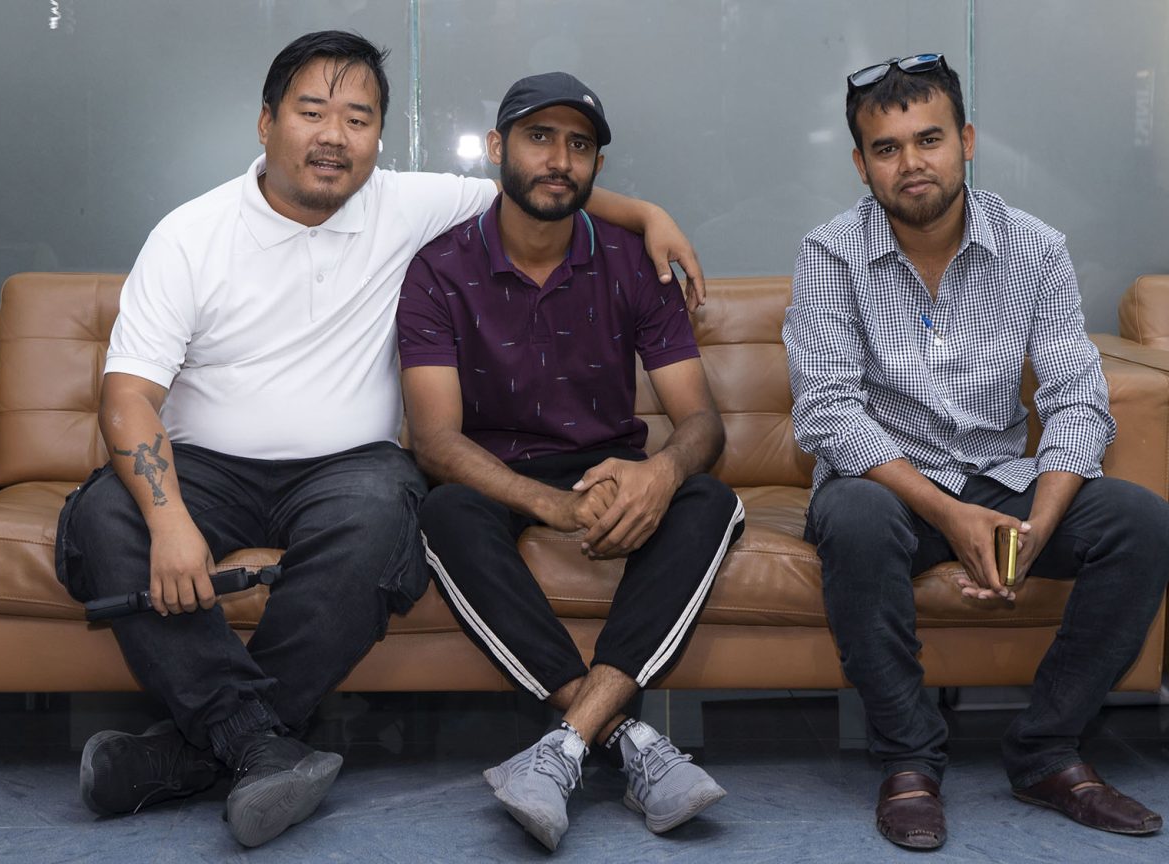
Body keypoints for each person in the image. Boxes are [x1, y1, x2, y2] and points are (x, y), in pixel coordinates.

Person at [53, 33, 705, 849]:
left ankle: (191, 754)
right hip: (204, 466)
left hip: (347, 471)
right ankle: (252, 745)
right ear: (266, 122)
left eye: (358, 120)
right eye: (312, 112)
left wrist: (647, 216)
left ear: (377, 139)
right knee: (106, 517)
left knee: (380, 522)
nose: (335, 137)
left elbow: (541, 185)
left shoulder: (405, 204)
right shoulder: (191, 234)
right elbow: (126, 397)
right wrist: (169, 518)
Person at [782, 54, 1169, 851]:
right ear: (861, 165)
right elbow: (828, 413)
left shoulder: (1035, 248)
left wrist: (1036, 527)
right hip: (889, 487)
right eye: (887, 148)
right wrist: (950, 515)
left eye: (929, 139)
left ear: (965, 142)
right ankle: (908, 762)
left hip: (1000, 478)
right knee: (853, 516)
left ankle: (1047, 752)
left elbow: (1076, 400)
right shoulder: (830, 252)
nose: (911, 163)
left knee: (1143, 524)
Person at [398, 72, 745, 852]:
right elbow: (436, 442)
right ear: (498, 147)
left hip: (608, 465)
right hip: (495, 471)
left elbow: (700, 422)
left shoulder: (632, 261)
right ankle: (627, 741)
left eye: (579, 145)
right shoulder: (439, 269)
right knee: (444, 510)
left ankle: (563, 748)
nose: (559, 160)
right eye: (539, 137)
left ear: (596, 165)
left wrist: (658, 475)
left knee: (710, 500)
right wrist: (551, 506)